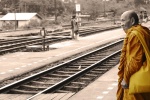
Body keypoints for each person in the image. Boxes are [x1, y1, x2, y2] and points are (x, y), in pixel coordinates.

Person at [117, 10, 150, 100]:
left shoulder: (134, 35)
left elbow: (135, 60)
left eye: (123, 20)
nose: (121, 24)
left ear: (132, 21)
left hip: (134, 80)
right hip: (143, 79)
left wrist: (125, 79)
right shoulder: (143, 31)